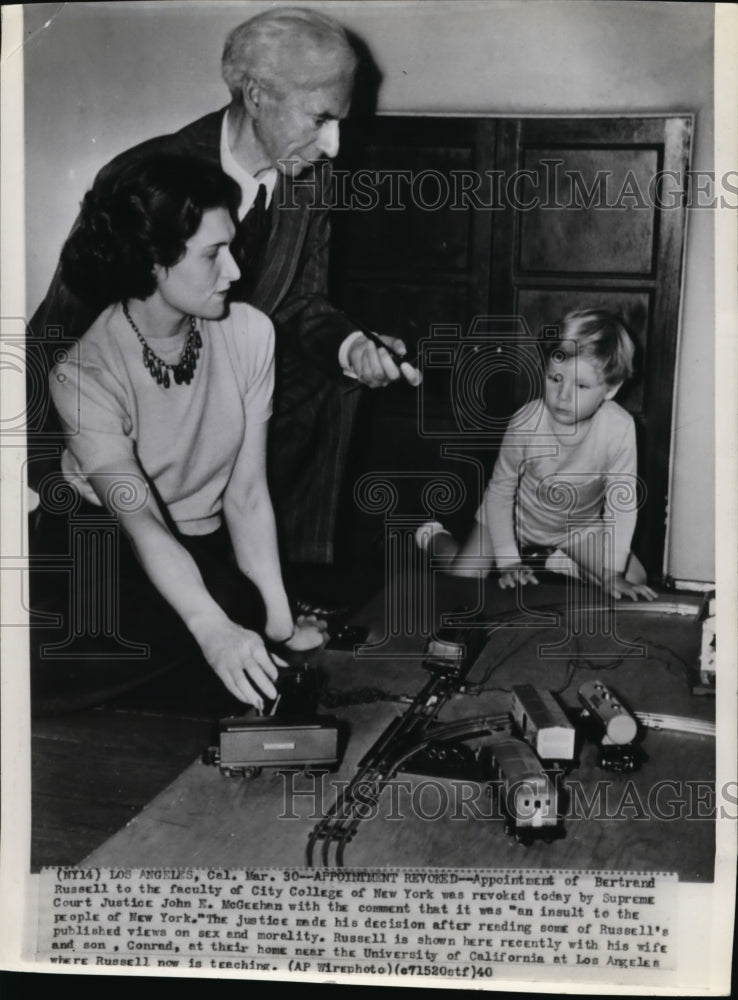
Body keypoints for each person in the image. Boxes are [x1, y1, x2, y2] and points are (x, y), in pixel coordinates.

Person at [28, 6, 420, 571]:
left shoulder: (312, 182)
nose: (334, 146)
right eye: (319, 119)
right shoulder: (149, 174)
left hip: (225, 389)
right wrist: (53, 472)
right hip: (136, 407)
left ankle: (290, 571)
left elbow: (302, 301)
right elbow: (58, 328)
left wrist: (353, 347)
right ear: (257, 95)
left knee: (339, 378)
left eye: (342, 123)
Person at [36, 154, 327, 710]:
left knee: (241, 610)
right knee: (209, 624)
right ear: (151, 262)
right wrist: (212, 627)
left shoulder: (250, 334)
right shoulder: (81, 374)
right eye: (214, 254)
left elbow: (246, 496)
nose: (235, 272)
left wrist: (281, 625)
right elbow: (140, 521)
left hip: (195, 540)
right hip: (101, 545)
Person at [417, 310, 658, 602]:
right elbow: (500, 493)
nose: (563, 396)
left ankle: (557, 559)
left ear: (611, 389)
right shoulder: (526, 423)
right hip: (514, 519)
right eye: (555, 378)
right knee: (464, 583)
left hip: (575, 529)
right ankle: (431, 536)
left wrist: (612, 573)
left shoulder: (619, 428)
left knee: (633, 578)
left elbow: (622, 503)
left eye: (581, 386)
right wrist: (508, 561)